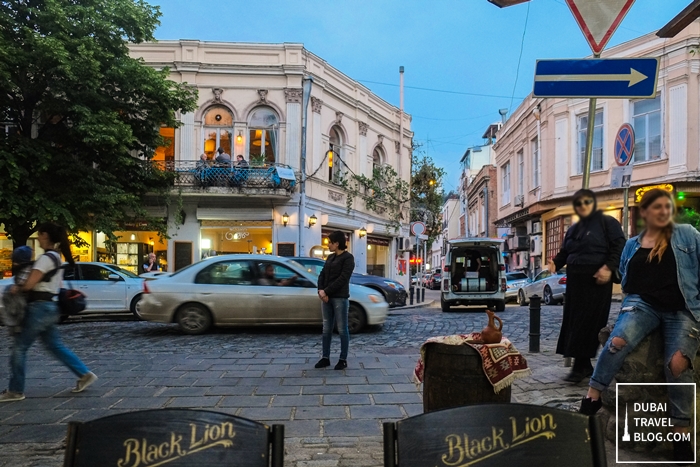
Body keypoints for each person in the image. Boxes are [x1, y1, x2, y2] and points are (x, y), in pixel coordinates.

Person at [579, 189, 700, 461]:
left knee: (678, 364)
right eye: (656, 207)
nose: (663, 211)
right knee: (616, 343)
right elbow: (625, 276)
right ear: (644, 212)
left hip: (682, 308)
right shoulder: (633, 243)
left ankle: (681, 432)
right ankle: (592, 396)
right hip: (642, 304)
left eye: (667, 207)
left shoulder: (688, 235)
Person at [0, 223, 97, 402]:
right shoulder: (57, 257)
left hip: (39, 308)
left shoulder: (45, 259)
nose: (37, 238)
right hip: (50, 307)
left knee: (19, 348)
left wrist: (17, 287)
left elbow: (29, 284)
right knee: (55, 346)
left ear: (45, 235)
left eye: (39, 234)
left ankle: (15, 390)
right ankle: (84, 374)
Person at [550, 189, 625, 382]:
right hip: (575, 282)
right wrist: (555, 263)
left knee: (590, 322)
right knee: (574, 323)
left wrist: (608, 267)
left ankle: (581, 366)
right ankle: (582, 366)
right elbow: (565, 252)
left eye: (586, 202)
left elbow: (619, 246)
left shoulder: (607, 222)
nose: (582, 206)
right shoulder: (574, 228)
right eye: (579, 203)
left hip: (596, 280)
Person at [315, 231, 355, 370]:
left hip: (340, 297)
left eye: (330, 243)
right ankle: (325, 358)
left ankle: (342, 359)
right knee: (326, 328)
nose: (328, 245)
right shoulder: (330, 258)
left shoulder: (348, 258)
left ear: (337, 243)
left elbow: (343, 278)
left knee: (342, 329)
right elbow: (322, 274)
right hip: (326, 297)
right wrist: (321, 291)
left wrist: (326, 291)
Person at [1, 246, 34, 334]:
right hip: (20, 294)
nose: (14, 263)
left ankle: (16, 324)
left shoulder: (27, 268)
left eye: (16, 261)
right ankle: (14, 323)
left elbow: (23, 279)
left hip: (23, 296)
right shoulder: (23, 268)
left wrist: (18, 286)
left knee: (18, 307)